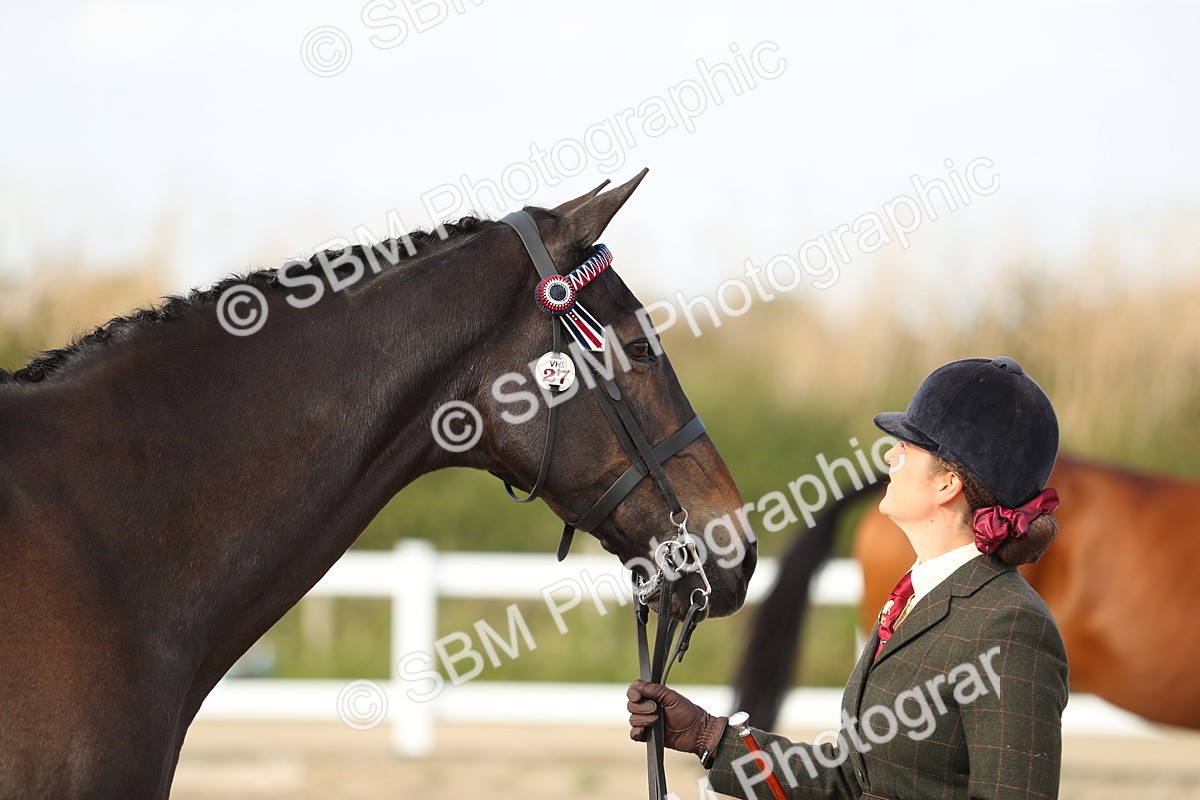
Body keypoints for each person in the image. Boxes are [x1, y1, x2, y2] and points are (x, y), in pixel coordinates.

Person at [627, 356, 1069, 799]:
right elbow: (851, 781)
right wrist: (708, 736)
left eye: (908, 448)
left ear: (947, 485)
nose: (891, 456)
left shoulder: (1011, 627)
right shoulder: (915, 597)